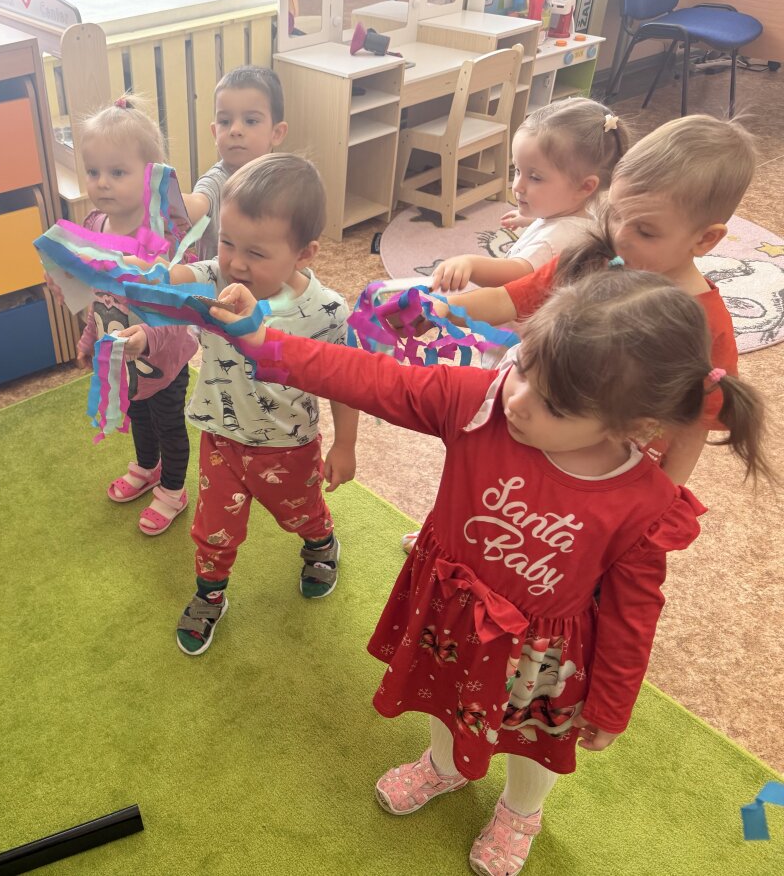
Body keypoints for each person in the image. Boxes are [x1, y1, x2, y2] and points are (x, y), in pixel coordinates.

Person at [209, 268, 771, 875]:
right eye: (524, 365)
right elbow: (369, 378)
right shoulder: (479, 402)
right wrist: (263, 341)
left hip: (542, 655)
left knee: (532, 741)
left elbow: (635, 613)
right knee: (441, 696)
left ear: (632, 426)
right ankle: (443, 766)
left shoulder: (643, 504)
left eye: (554, 404)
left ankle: (521, 812)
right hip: (450, 618)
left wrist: (612, 704)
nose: (518, 399)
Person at [442, 114, 755, 486]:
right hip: (535, 441)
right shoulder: (593, 259)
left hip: (613, 480)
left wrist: (667, 496)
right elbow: (507, 300)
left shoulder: (707, 324)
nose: (619, 236)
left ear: (705, 239)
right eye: (614, 214)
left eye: (645, 231)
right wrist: (441, 311)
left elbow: (694, 427)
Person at [166, 153, 359, 655]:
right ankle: (210, 594)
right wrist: (136, 271)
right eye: (227, 241)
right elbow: (172, 278)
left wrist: (346, 445)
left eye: (255, 252)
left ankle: (320, 544)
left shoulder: (327, 312)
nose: (235, 262)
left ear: (304, 253)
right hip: (220, 438)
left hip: (287, 445)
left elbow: (346, 384)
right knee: (213, 530)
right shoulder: (215, 278)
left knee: (302, 514)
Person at [74, 95, 198, 535]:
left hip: (163, 356)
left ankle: (173, 490)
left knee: (168, 422)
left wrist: (148, 337)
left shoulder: (162, 240)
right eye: (93, 172)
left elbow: (178, 307)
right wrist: (90, 337)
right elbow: (99, 294)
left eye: (117, 172)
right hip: (122, 353)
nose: (102, 183)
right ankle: (147, 467)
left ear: (150, 178)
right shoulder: (93, 225)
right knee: (138, 413)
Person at [430, 97, 630, 292]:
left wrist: (470, 264)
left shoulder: (551, 243)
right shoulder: (590, 213)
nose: (517, 186)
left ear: (584, 187)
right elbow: (567, 222)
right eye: (517, 170)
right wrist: (532, 219)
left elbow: (514, 279)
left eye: (535, 177)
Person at [183, 66, 289, 261]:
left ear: (276, 133)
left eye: (250, 121)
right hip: (223, 280)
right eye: (225, 121)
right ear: (215, 133)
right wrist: (168, 203)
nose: (235, 130)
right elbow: (196, 203)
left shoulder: (284, 179)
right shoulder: (216, 182)